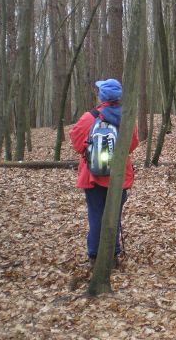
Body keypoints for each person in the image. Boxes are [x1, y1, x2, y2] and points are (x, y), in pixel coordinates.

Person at [69, 79, 139, 267]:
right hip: (118, 177)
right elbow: (132, 145)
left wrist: (89, 148)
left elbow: (76, 141)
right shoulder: (128, 117)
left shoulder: (89, 117)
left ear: (102, 96)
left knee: (96, 215)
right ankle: (112, 255)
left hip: (93, 176)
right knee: (113, 216)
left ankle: (94, 257)